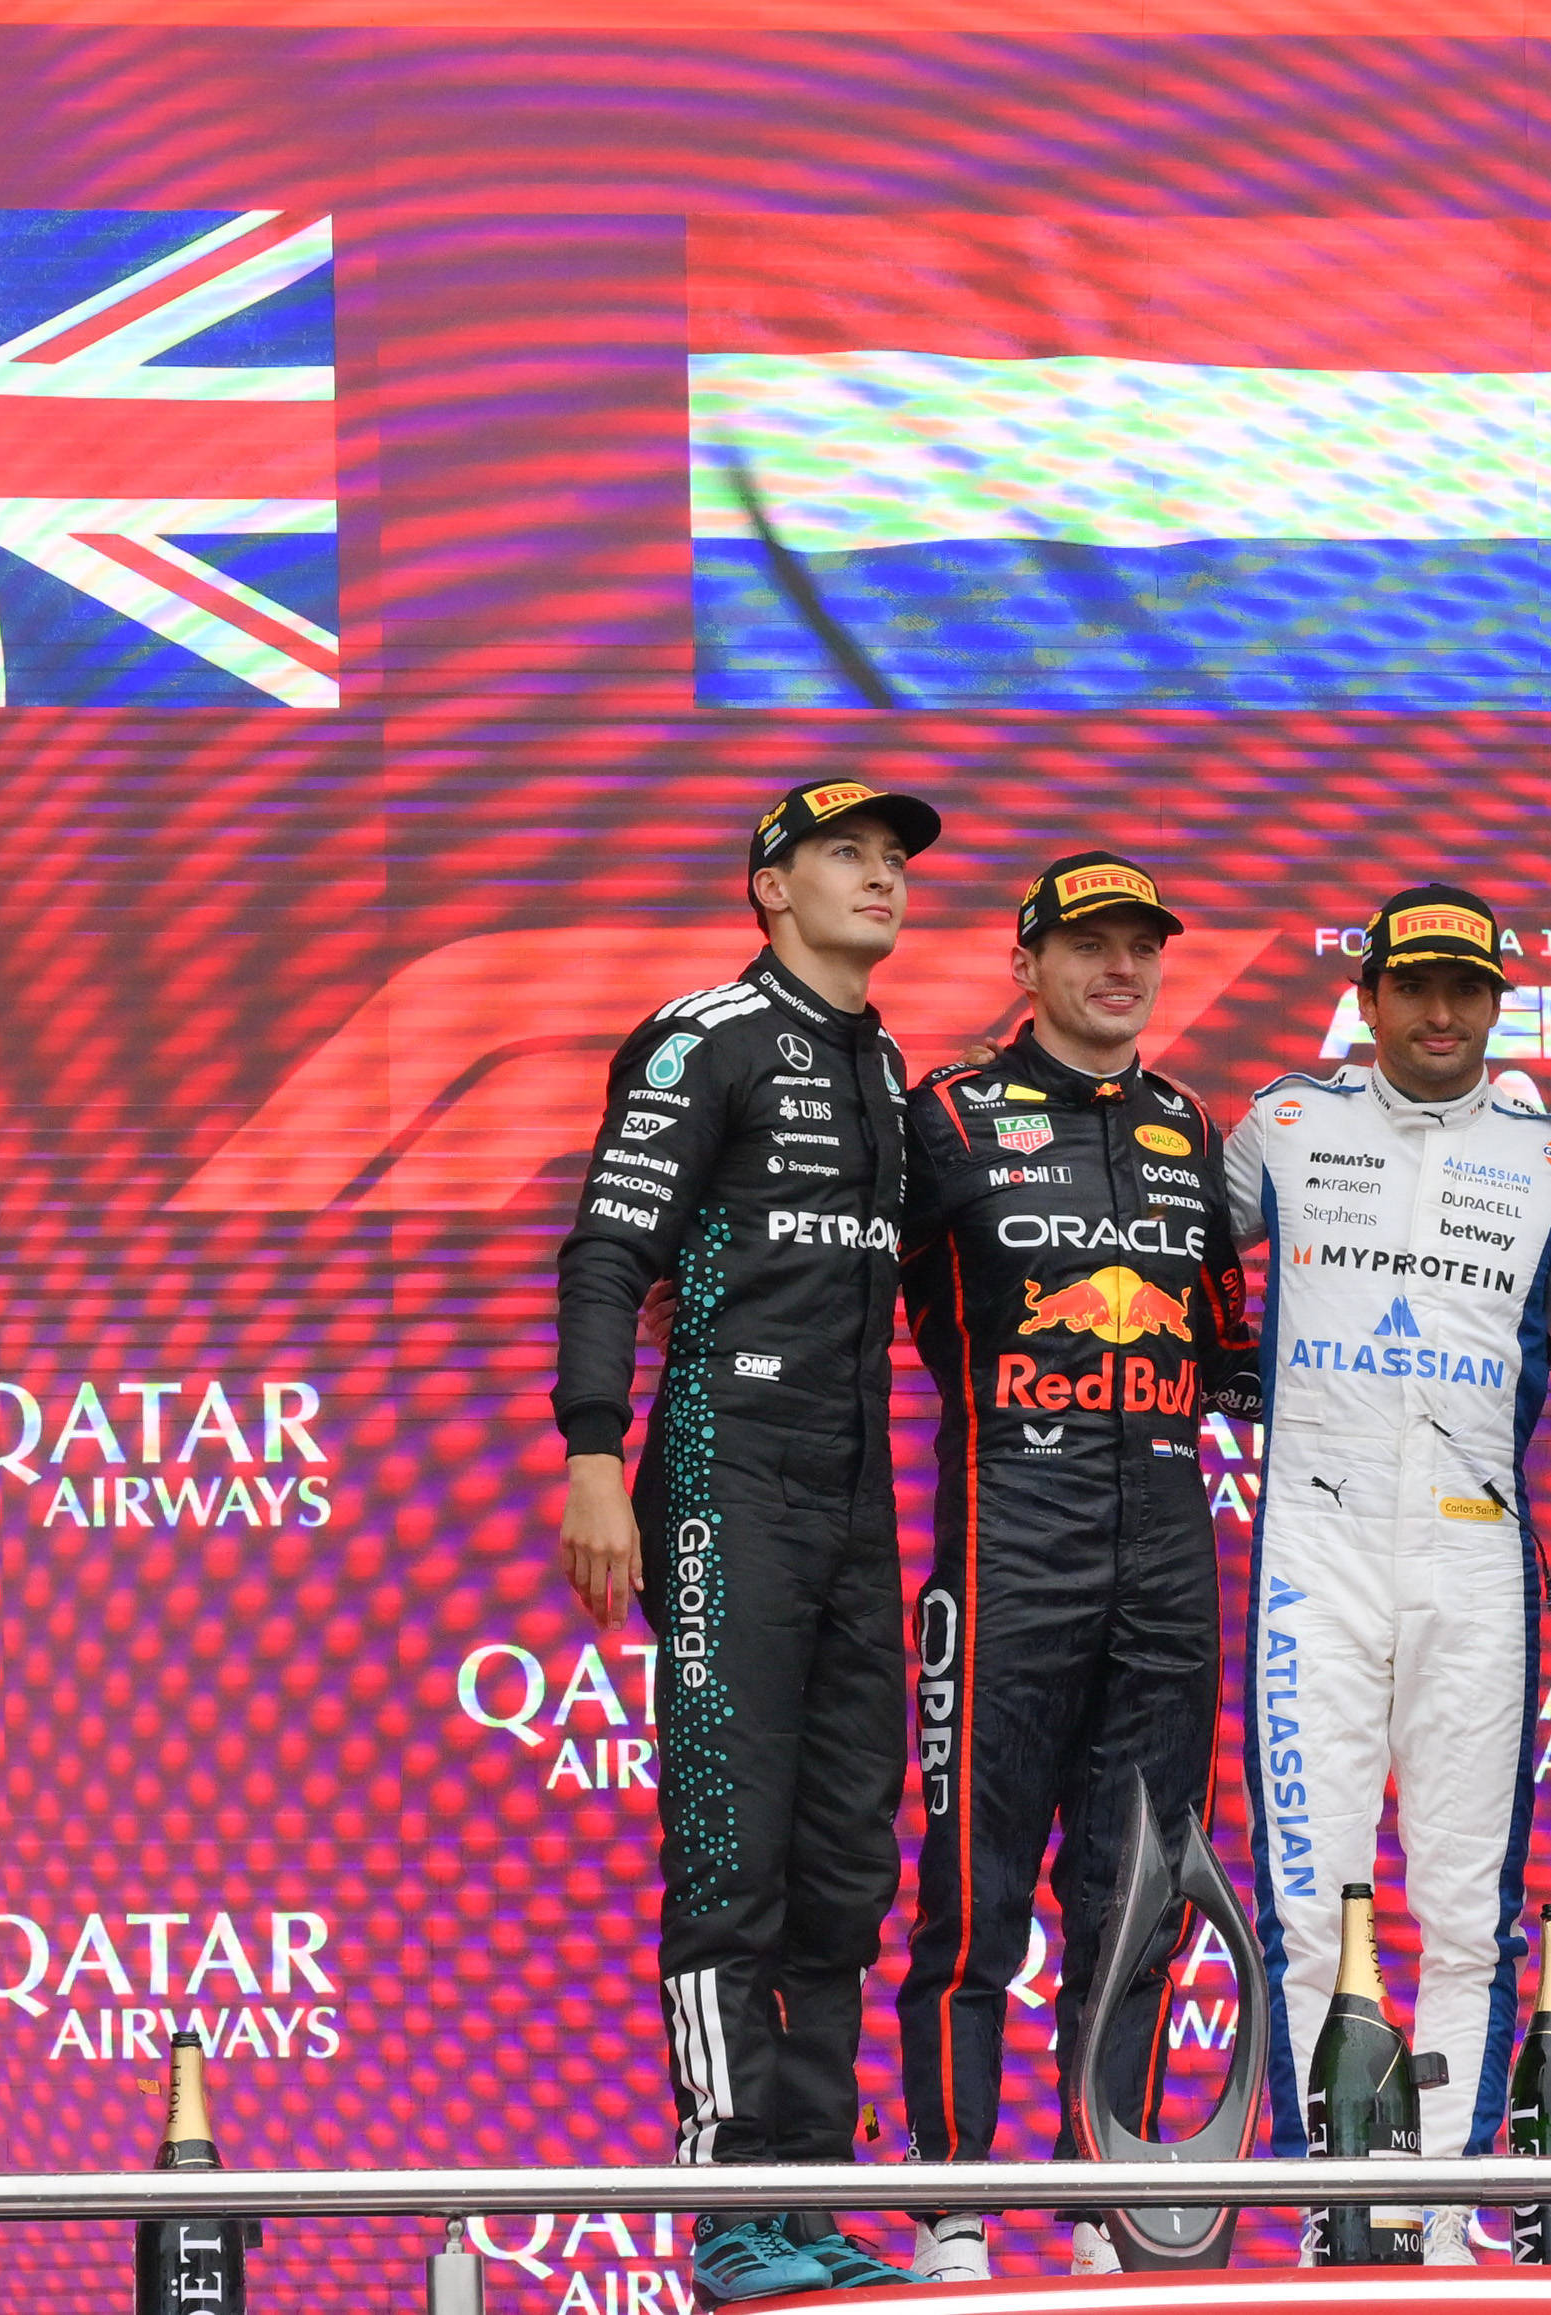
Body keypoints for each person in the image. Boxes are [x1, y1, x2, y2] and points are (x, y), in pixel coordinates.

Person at [551, 776, 940, 2302]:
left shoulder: (888, 1063)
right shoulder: (702, 1036)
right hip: (723, 1473)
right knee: (730, 1851)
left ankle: (813, 2194)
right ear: (772, 885)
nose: (881, 877)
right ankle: (727, 2203)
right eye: (847, 854)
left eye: (893, 858)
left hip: (855, 1496)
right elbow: (609, 1249)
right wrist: (596, 1454)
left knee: (845, 1861)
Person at [892, 852, 1263, 2282]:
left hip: (1167, 1553)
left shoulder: (1188, 1124)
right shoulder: (946, 1114)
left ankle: (1110, 2194)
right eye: (1090, 944)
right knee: (973, 1894)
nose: (1121, 969)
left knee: (1143, 1895)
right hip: (1006, 1548)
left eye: (1141, 946)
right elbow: (857, 1280)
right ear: (1028, 963)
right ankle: (954, 2206)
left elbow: (1225, 1344)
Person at [1223, 883, 1551, 2266]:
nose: (1441, 1015)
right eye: (1415, 987)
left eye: (1467, 990)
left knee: (1465, 1909)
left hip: (1475, 1554)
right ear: (1367, 997)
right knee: (1307, 1900)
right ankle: (1338, 2209)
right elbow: (1148, 1236)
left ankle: (1437, 2206)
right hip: (1310, 1554)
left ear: (1497, 1003)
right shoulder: (1284, 1125)